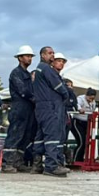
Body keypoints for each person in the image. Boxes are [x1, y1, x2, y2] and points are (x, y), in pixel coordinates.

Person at [31, 47, 72, 177]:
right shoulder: (46, 69)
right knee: (52, 137)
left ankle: (37, 164)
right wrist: (66, 95)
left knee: (40, 136)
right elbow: (59, 87)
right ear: (43, 55)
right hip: (51, 107)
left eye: (53, 53)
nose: (52, 55)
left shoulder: (39, 69)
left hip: (41, 107)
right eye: (50, 53)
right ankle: (51, 166)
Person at [3, 45, 37, 172]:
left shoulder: (27, 74)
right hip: (19, 108)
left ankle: (18, 162)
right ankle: (7, 163)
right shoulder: (16, 73)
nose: (29, 59)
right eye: (27, 56)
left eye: (30, 56)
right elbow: (23, 91)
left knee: (25, 136)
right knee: (15, 135)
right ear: (20, 58)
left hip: (28, 109)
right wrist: (34, 98)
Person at [72, 88, 98, 163]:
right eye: (90, 98)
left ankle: (81, 160)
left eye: (93, 98)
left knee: (86, 142)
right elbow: (76, 104)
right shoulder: (80, 98)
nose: (91, 100)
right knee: (81, 142)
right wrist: (80, 109)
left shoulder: (93, 102)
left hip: (87, 123)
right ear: (86, 96)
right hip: (78, 122)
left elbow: (92, 111)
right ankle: (76, 160)